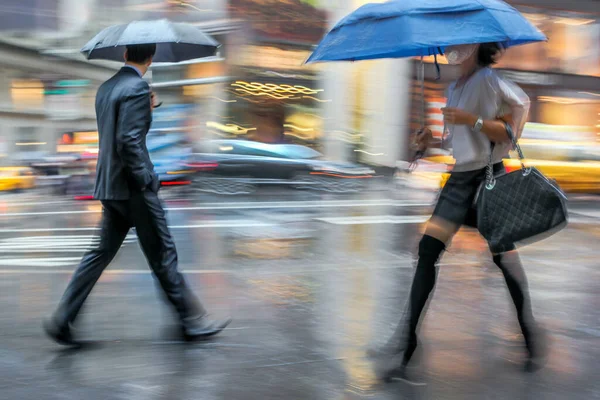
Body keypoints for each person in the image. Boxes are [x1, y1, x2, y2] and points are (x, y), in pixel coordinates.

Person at [376, 43, 547, 382]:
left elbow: (507, 133)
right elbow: (458, 142)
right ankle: (407, 342)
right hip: (458, 181)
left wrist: (474, 119)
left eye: (459, 45)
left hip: (488, 179)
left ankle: (529, 334)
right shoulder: (456, 87)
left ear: (475, 48)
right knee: (427, 252)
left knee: (503, 258)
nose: (453, 50)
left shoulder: (489, 81)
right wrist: (430, 143)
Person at [44, 44, 230, 345]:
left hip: (110, 187)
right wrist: (147, 180)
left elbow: (118, 127)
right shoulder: (137, 88)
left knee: (98, 255)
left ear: (125, 54)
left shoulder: (107, 87)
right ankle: (190, 322)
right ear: (151, 58)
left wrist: (148, 107)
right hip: (134, 189)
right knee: (163, 256)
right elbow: (128, 139)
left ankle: (62, 320)